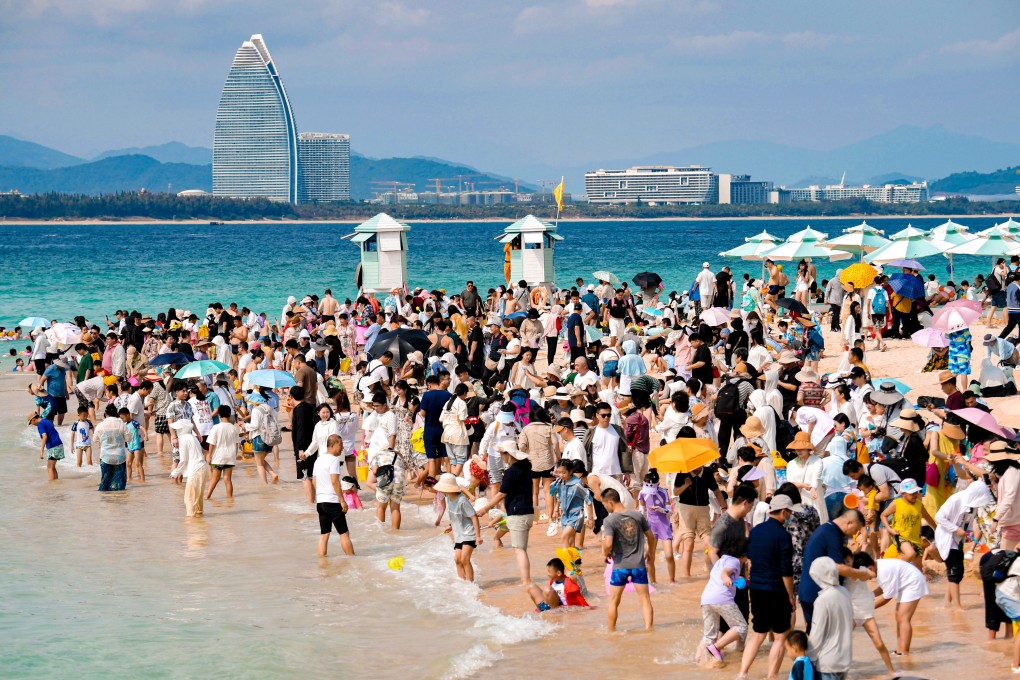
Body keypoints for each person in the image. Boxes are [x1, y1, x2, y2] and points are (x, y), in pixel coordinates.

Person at [737, 494, 796, 680]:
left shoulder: (755, 531)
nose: (790, 516)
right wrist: (791, 596)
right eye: (790, 513)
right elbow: (786, 571)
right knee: (780, 637)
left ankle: (742, 673)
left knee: (758, 634)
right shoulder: (784, 536)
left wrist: (751, 581)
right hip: (776, 590)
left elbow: (748, 561)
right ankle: (772, 676)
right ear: (784, 512)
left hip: (756, 588)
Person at [798, 509, 869, 630]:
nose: (853, 535)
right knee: (824, 638)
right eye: (856, 530)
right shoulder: (832, 534)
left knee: (815, 636)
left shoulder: (827, 528)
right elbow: (839, 567)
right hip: (817, 594)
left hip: (808, 592)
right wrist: (862, 574)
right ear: (849, 523)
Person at [478, 444, 536, 592]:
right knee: (521, 548)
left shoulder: (512, 471)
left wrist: (485, 508)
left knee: (519, 549)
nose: (502, 457)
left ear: (509, 455)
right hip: (528, 512)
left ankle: (526, 581)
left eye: (503, 454)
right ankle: (526, 579)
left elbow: (501, 494)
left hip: (518, 513)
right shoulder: (526, 469)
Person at [601, 487, 654, 632]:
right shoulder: (637, 515)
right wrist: (650, 552)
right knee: (645, 599)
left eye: (604, 504)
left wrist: (605, 553)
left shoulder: (609, 520)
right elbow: (650, 536)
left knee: (614, 601)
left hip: (620, 566)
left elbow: (609, 543)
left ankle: (611, 632)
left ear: (610, 502)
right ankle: (649, 630)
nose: (604, 507)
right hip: (639, 565)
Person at [846, 550, 896, 676]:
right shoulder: (842, 574)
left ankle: (891, 671)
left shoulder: (862, 570)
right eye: (846, 561)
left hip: (866, 614)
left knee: (879, 643)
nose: (848, 563)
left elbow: (872, 574)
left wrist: (857, 573)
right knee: (844, 645)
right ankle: (841, 674)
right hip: (851, 614)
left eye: (849, 560)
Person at [806, 556, 853, 680]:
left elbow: (817, 633)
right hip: (845, 659)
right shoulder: (845, 592)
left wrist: (808, 657)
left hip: (827, 662)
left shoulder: (822, 600)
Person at [698, 545, 748, 664]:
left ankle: (699, 661)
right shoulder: (735, 561)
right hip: (722, 598)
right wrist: (726, 577)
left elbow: (721, 575)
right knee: (741, 627)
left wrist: (735, 579)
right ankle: (717, 647)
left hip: (706, 599)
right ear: (744, 554)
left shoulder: (721, 560)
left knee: (709, 636)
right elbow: (725, 573)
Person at [874, 556, 929, 655]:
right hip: (906, 583)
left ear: (868, 568)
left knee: (903, 618)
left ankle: (904, 652)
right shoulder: (878, 566)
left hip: (913, 583)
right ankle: (899, 650)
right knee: (899, 616)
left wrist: (869, 606)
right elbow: (884, 587)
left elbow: (888, 596)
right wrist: (870, 595)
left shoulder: (882, 571)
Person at [312, 434, 355, 557]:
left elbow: (314, 481)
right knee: (344, 533)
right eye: (340, 445)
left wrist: (321, 495)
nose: (342, 448)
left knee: (324, 534)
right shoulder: (334, 460)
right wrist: (342, 500)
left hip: (321, 502)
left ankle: (322, 562)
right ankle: (352, 560)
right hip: (332, 501)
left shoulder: (318, 460)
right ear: (332, 446)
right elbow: (334, 480)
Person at [880, 478, 935, 569]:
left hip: (915, 539)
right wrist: (889, 529)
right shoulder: (896, 503)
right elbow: (883, 515)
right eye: (911, 493)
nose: (914, 495)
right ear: (903, 494)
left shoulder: (919, 505)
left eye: (916, 492)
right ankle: (892, 570)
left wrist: (937, 529)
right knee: (910, 554)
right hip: (900, 535)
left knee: (918, 571)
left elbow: (928, 517)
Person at [436, 472, 482, 582]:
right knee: (457, 559)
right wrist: (451, 526)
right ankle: (462, 583)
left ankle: (470, 584)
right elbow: (456, 516)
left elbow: (474, 517)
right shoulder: (448, 499)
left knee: (465, 559)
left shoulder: (462, 500)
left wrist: (478, 536)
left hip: (469, 534)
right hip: (458, 534)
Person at [638, 469, 675, 583]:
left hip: (664, 524)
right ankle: (653, 583)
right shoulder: (642, 493)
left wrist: (661, 509)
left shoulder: (663, 492)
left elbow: (670, 512)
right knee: (650, 557)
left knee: (669, 555)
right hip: (651, 525)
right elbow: (642, 510)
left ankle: (672, 581)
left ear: (658, 484)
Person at [552, 459, 594, 550]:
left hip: (576, 514)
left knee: (564, 537)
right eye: (559, 472)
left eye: (563, 472)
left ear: (570, 471)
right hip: (565, 515)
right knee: (570, 541)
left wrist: (590, 519)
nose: (561, 475)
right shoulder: (560, 482)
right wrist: (555, 510)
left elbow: (589, 500)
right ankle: (575, 562)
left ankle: (566, 561)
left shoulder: (577, 484)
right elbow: (559, 497)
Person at [206, 405, 239, 499]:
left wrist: (209, 455)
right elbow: (237, 444)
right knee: (227, 479)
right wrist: (235, 455)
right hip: (230, 456)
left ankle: (207, 496)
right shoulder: (233, 428)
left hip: (218, 456)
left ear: (219, 415)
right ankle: (230, 498)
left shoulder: (216, 427)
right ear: (230, 414)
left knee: (215, 478)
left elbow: (212, 443)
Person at [94, 404, 130, 492]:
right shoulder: (121, 424)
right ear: (116, 413)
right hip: (119, 457)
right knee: (120, 484)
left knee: (105, 482)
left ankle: (106, 503)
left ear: (106, 413)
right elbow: (128, 439)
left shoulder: (100, 425)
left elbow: (95, 440)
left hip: (106, 457)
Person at [28, 411, 64, 481]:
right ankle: (56, 483)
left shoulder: (40, 424)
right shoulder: (46, 421)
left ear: (33, 419)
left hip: (53, 446)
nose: (32, 424)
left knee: (49, 468)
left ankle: (52, 486)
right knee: (52, 467)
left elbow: (44, 436)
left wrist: (41, 451)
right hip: (58, 444)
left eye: (31, 423)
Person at [119, 407, 146, 482]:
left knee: (138, 464)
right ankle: (129, 479)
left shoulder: (133, 422)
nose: (122, 419)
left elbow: (142, 428)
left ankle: (143, 479)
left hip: (136, 446)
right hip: (129, 447)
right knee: (128, 464)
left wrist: (146, 435)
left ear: (128, 415)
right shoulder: (124, 425)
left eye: (123, 418)